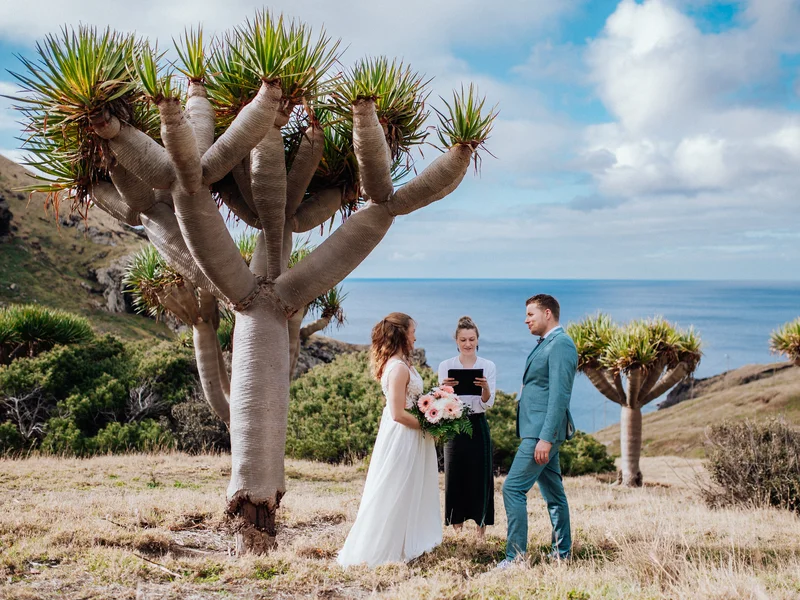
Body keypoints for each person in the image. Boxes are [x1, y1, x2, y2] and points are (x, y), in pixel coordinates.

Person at [337, 312, 442, 567]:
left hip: (413, 434)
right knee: (395, 487)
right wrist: (429, 424)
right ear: (401, 334)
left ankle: (408, 540)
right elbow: (397, 413)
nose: (415, 336)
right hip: (404, 436)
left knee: (410, 487)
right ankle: (381, 548)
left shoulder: (403, 363)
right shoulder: (396, 368)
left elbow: (413, 401)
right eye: (412, 331)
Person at [497, 294, 577, 569]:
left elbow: (559, 396)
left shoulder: (561, 345)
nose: (526, 319)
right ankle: (562, 554)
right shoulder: (547, 344)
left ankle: (515, 558)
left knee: (512, 489)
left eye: (530, 314)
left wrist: (545, 437)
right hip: (537, 429)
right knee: (554, 494)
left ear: (547, 313)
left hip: (541, 433)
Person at [438, 316, 496, 538]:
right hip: (454, 425)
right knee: (455, 475)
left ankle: (481, 531)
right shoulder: (446, 366)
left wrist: (486, 389)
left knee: (480, 476)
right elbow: (441, 403)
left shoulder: (488, 366)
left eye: (472, 339)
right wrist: (444, 389)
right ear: (456, 341)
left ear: (477, 340)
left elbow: (487, 403)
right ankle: (458, 531)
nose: (468, 343)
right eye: (463, 339)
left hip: (478, 423)